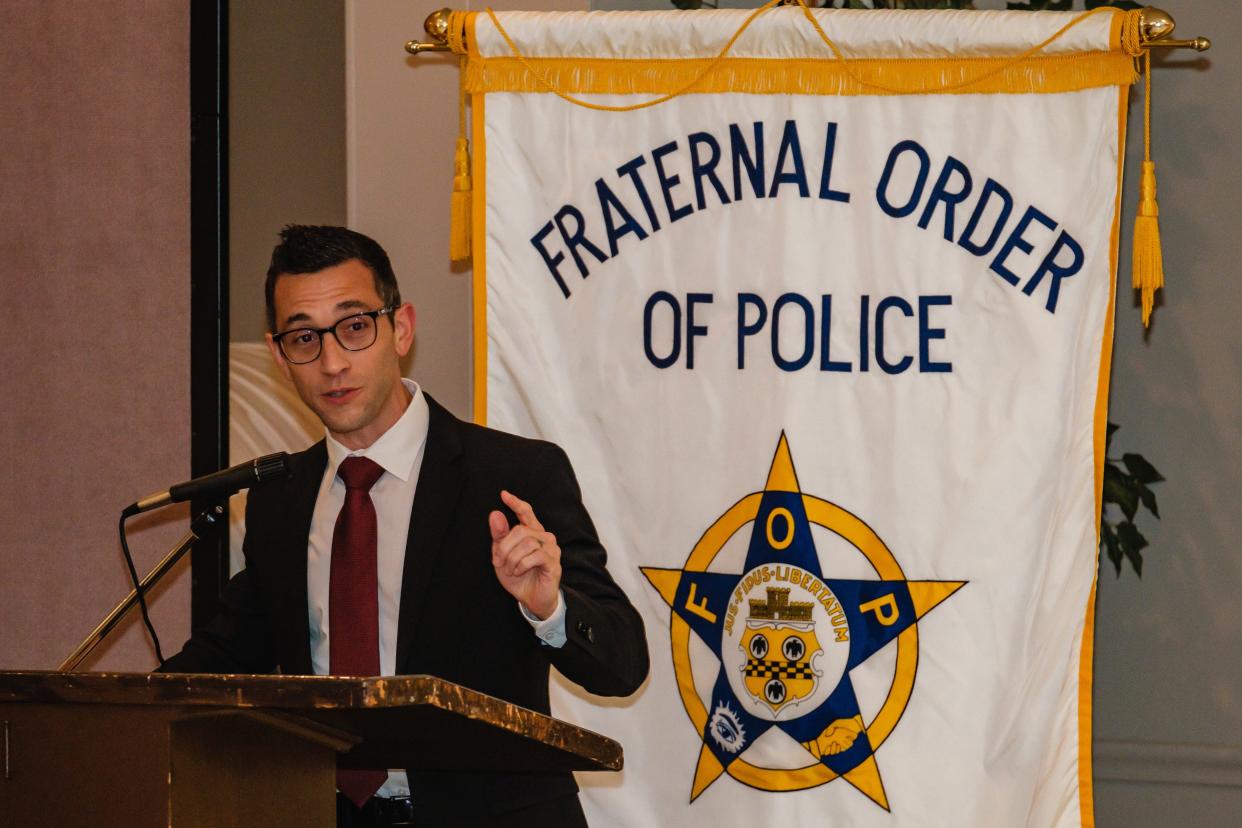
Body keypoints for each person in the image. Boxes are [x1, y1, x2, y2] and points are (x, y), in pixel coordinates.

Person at [160, 225, 649, 827]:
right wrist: (106, 716)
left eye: (355, 326)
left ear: (401, 328)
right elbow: (223, 656)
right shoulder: (278, 498)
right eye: (305, 337)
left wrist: (549, 608)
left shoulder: (514, 474)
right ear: (280, 354)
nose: (333, 361)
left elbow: (623, 662)